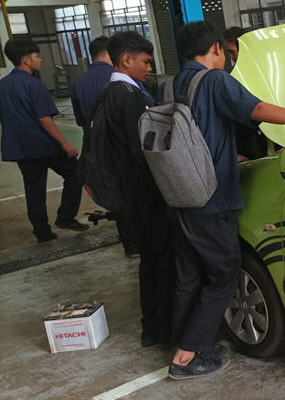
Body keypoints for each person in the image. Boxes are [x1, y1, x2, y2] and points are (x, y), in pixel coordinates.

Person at [165, 21, 285, 380]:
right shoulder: (215, 80)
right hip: (211, 197)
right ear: (216, 48)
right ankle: (185, 358)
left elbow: (192, 137)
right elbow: (256, 109)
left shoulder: (171, 84)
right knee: (225, 273)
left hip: (179, 194)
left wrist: (227, 155)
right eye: (225, 53)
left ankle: (184, 341)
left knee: (189, 275)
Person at [95, 31, 175, 347]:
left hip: (127, 193)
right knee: (164, 260)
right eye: (145, 61)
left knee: (150, 262)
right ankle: (167, 332)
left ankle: (151, 329)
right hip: (144, 193)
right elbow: (142, 149)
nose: (149, 68)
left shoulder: (109, 92)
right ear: (126, 60)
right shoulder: (129, 95)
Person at [0, 39, 88, 243]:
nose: (40, 59)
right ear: (26, 59)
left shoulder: (3, 85)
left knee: (34, 190)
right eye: (37, 56)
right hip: (43, 145)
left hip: (21, 148)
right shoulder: (34, 85)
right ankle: (65, 217)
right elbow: (44, 119)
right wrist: (65, 143)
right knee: (75, 173)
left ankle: (42, 232)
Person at [71, 36, 140, 258]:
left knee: (114, 192)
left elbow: (81, 119)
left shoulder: (79, 83)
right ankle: (139, 241)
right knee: (132, 192)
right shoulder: (122, 80)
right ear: (111, 54)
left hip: (96, 147)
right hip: (122, 146)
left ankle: (129, 243)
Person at [223, 26, 269, 161]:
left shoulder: (268, 71)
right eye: (228, 53)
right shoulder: (231, 77)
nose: (231, 57)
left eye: (232, 52)